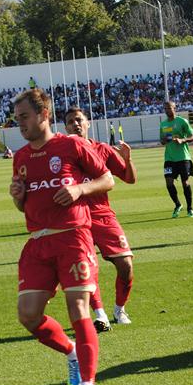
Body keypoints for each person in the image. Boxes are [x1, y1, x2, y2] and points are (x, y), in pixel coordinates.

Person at [9, 89, 114, 385]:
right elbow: (23, 205)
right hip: (38, 243)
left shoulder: (71, 145)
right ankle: (71, 350)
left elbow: (107, 179)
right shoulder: (21, 157)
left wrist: (80, 188)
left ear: (43, 115)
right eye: (17, 120)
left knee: (78, 308)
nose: (21, 125)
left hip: (73, 238)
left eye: (25, 117)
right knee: (28, 315)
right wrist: (17, 196)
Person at [65, 107, 137, 331]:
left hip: (103, 215)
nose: (75, 124)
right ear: (65, 128)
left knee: (126, 265)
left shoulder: (102, 150)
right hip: (77, 218)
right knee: (88, 267)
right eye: (70, 122)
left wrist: (127, 159)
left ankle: (119, 308)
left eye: (79, 120)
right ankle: (100, 314)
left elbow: (129, 178)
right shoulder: (63, 153)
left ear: (88, 124)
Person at [160, 100, 193, 218]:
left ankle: (190, 208)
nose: (167, 110)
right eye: (165, 109)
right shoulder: (163, 124)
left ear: (174, 108)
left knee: (185, 183)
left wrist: (183, 140)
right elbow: (161, 141)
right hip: (169, 158)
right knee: (168, 183)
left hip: (183, 157)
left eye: (169, 108)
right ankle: (177, 204)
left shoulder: (182, 121)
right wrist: (164, 140)